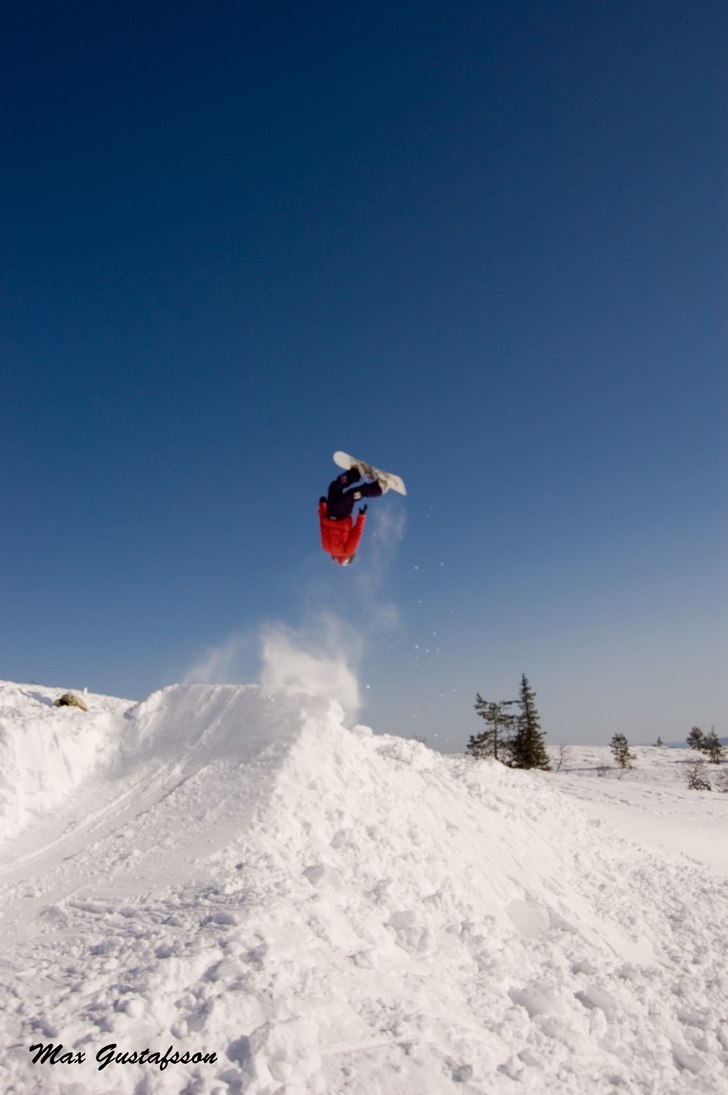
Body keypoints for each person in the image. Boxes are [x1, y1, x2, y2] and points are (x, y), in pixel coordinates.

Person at [318, 466, 387, 565]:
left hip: (330, 513)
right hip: (341, 517)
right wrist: (362, 516)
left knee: (334, 486)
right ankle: (379, 488)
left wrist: (322, 505)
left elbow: (322, 526)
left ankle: (354, 474)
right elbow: (356, 534)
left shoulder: (326, 548)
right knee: (350, 495)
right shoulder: (347, 551)